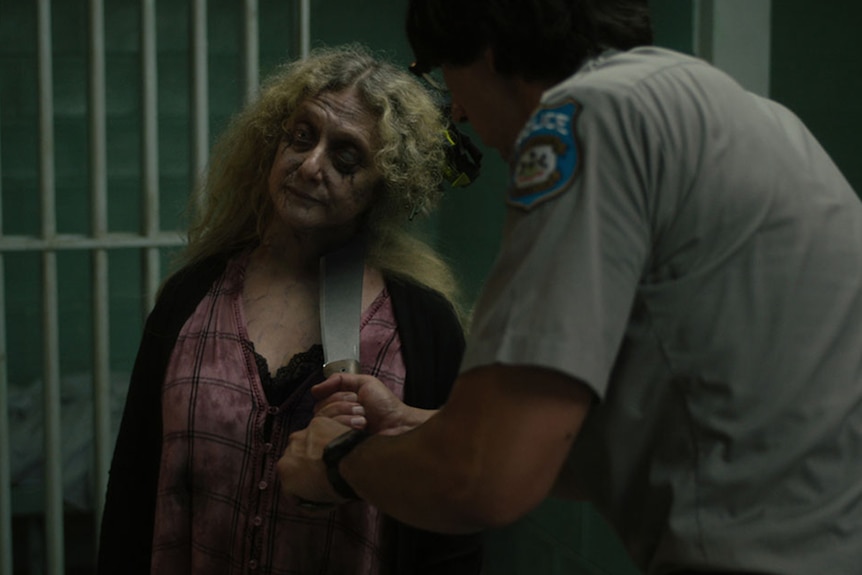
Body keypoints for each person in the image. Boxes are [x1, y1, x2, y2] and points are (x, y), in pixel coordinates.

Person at [276, 1, 862, 574]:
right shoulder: (748, 116)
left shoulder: (588, 117)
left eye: (442, 74)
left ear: (484, 48)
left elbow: (483, 481)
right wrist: (419, 427)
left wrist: (337, 464)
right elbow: (675, 439)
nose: (455, 112)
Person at [97, 43, 483, 574]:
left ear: (384, 186)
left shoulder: (421, 326)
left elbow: (453, 520)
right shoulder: (191, 298)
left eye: (346, 158)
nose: (310, 165)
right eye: (302, 137)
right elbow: (134, 486)